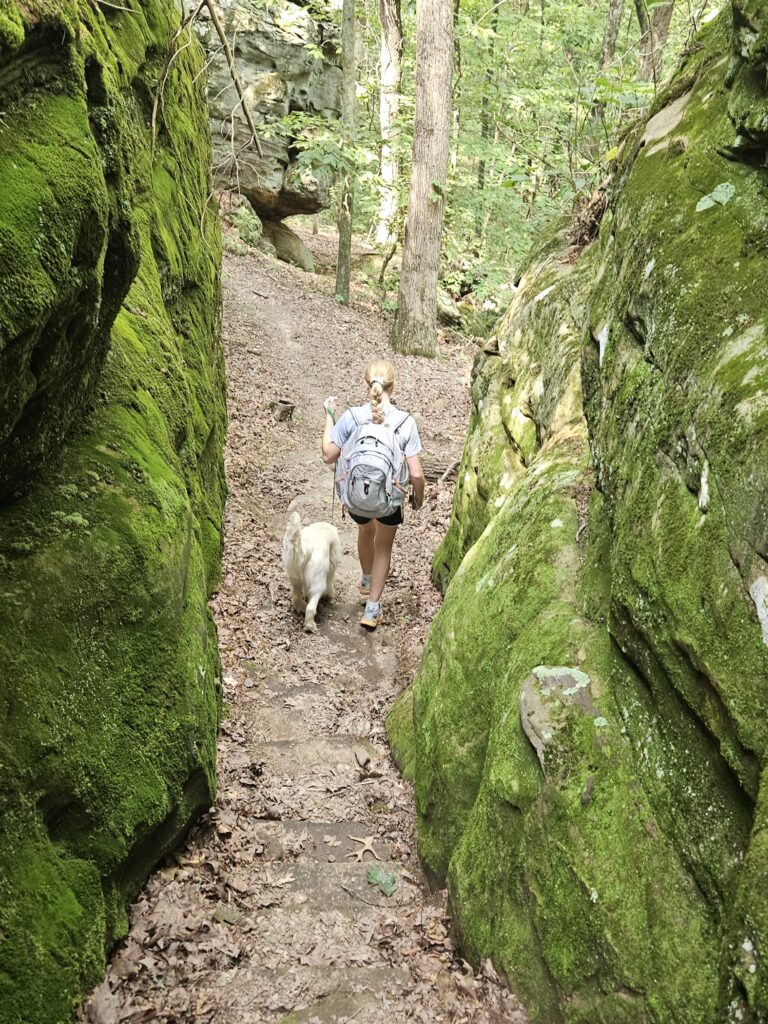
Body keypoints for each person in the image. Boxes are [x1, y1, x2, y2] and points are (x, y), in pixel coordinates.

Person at [321, 358, 425, 630]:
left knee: (365, 530)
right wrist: (418, 498)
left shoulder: (352, 417)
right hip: (389, 501)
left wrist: (328, 419)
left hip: (356, 499)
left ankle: (366, 579)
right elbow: (416, 474)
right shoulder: (405, 423)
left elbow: (328, 456)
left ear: (366, 384)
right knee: (384, 546)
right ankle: (372, 608)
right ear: (394, 386)